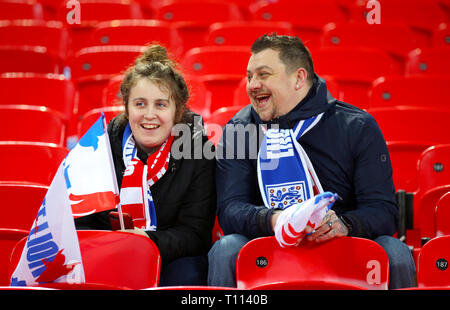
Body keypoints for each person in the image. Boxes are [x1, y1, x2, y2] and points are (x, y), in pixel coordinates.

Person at [208, 34, 416, 289]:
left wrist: (344, 225)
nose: (252, 85)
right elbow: (230, 209)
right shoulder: (239, 130)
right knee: (226, 250)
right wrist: (276, 220)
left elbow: (383, 210)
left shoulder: (357, 126)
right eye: (249, 76)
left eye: (263, 74)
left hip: (340, 244)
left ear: (298, 78)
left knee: (395, 253)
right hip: (270, 245)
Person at [75, 44, 216, 286]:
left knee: (189, 272)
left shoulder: (199, 152)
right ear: (127, 109)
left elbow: (195, 235)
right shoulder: (98, 148)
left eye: (161, 104)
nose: (149, 114)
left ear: (177, 111)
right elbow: (80, 223)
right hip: (106, 254)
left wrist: (146, 240)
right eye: (140, 104)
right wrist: (117, 245)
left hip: (172, 260)